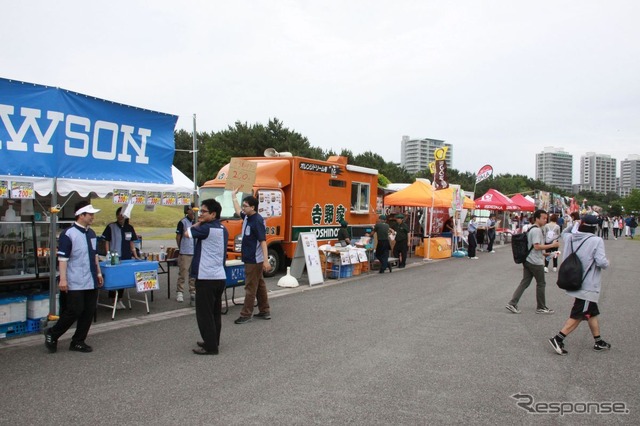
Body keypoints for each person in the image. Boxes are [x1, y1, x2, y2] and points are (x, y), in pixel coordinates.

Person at [44, 201, 103, 353]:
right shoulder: (68, 234)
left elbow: (94, 255)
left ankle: (78, 341)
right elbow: (63, 259)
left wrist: (98, 272)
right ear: (81, 215)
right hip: (74, 278)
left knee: (89, 310)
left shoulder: (91, 233)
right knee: (74, 310)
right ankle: (53, 333)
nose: (92, 217)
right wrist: (63, 279)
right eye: (90, 214)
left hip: (90, 278)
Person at [548, 215, 611, 356]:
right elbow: (601, 262)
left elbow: (564, 232)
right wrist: (608, 262)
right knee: (579, 313)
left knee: (591, 312)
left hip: (574, 280)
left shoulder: (570, 237)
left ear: (581, 224)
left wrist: (573, 224)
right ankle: (558, 338)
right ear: (595, 227)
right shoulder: (596, 240)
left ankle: (598, 341)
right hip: (587, 286)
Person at [183, 199, 228, 355]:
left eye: (203, 211)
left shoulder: (205, 229)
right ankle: (213, 340)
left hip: (206, 277)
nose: (200, 214)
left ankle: (210, 347)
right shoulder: (223, 228)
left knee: (204, 314)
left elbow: (187, 233)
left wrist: (197, 224)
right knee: (214, 312)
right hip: (219, 276)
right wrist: (202, 221)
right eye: (200, 211)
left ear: (213, 214)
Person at [506, 209, 559, 315]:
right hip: (535, 262)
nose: (545, 220)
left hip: (528, 259)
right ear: (537, 218)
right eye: (543, 218)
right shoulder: (536, 230)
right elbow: (536, 246)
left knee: (525, 282)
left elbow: (533, 247)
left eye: (546, 218)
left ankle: (512, 303)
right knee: (541, 283)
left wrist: (545, 254)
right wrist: (552, 246)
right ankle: (541, 306)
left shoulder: (532, 229)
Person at [231, 188, 271, 324]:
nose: (243, 208)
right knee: (259, 285)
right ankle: (264, 310)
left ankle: (246, 314)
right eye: (243, 205)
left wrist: (266, 260)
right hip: (250, 258)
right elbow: (237, 211)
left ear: (253, 207)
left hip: (255, 259)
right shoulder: (247, 217)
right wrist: (233, 196)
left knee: (250, 287)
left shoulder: (257, 220)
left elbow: (263, 242)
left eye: (245, 206)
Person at [102, 206, 140, 309]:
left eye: (122, 214)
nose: (120, 216)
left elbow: (132, 243)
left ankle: (119, 299)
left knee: (123, 278)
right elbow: (107, 241)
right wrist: (108, 254)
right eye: (118, 214)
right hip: (115, 256)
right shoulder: (111, 226)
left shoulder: (129, 228)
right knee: (114, 277)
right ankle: (112, 299)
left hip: (126, 256)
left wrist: (135, 255)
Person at [175, 203, 196, 304]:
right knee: (183, 272)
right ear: (187, 210)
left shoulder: (197, 222)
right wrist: (180, 248)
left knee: (193, 274)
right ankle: (180, 292)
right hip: (185, 251)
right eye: (192, 209)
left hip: (195, 251)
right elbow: (178, 236)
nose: (194, 212)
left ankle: (193, 291)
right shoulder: (183, 222)